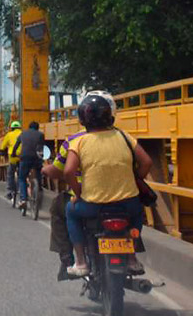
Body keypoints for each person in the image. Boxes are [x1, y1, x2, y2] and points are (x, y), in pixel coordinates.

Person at [64, 90, 153, 278]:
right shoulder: (124, 137)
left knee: (70, 212)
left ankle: (80, 262)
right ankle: (131, 258)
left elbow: (68, 171)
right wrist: (135, 182)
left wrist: (78, 193)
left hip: (92, 206)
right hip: (127, 204)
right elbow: (146, 162)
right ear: (109, 116)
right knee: (137, 213)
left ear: (83, 119)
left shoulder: (79, 142)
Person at [42, 129, 87, 280]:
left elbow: (63, 171)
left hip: (84, 196)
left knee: (59, 208)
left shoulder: (74, 141)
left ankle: (68, 259)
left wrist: (46, 169)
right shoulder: (122, 138)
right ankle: (131, 258)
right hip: (117, 198)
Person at [12, 121, 45, 209]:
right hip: (37, 158)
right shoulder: (41, 135)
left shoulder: (23, 133)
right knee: (38, 175)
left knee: (22, 178)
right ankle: (39, 190)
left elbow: (16, 145)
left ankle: (23, 199)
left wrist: (13, 154)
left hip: (25, 157)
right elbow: (42, 147)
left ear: (29, 127)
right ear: (37, 128)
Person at [0, 120, 23, 200]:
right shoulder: (23, 134)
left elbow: (3, 147)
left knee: (10, 174)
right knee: (21, 174)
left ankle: (9, 192)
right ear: (19, 128)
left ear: (11, 128)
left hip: (12, 157)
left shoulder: (9, 135)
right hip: (22, 156)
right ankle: (21, 190)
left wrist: (2, 153)